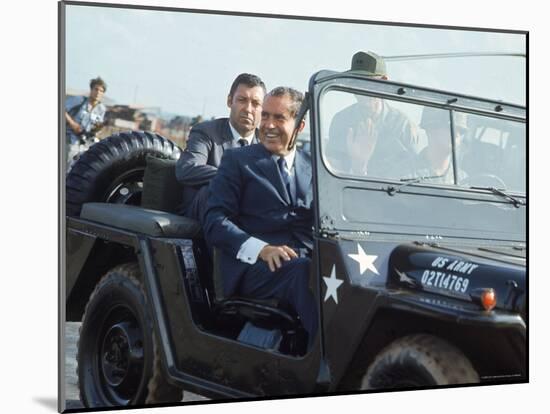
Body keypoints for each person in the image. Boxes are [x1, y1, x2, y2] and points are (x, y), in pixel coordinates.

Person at [203, 87, 318, 349]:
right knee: (302, 272)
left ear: (299, 125)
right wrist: (262, 249)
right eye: (265, 116)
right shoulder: (238, 161)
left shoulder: (314, 167)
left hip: (306, 260)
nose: (267, 125)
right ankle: (325, 363)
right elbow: (215, 221)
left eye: (279, 118)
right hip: (254, 268)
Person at [175, 73, 266, 221]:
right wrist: (233, 177)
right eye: (242, 100)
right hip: (201, 215)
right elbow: (187, 168)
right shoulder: (206, 132)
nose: (248, 109)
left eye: (256, 103)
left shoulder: (265, 144)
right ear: (230, 101)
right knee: (217, 188)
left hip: (247, 219)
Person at [327, 51, 419, 178]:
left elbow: (412, 176)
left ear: (384, 82)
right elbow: (331, 172)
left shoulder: (403, 126)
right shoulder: (341, 121)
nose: (361, 88)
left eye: (367, 81)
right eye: (356, 81)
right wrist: (358, 164)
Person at [414, 107, 468, 184]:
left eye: (460, 131)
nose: (456, 134)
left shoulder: (462, 179)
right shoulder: (405, 173)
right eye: (450, 128)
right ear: (431, 130)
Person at [65, 77, 107, 167]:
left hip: (85, 143)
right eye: (96, 89)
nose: (98, 93)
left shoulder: (101, 109)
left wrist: (98, 129)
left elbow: (96, 126)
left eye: (101, 91)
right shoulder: (79, 100)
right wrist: (73, 124)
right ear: (91, 90)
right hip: (70, 139)